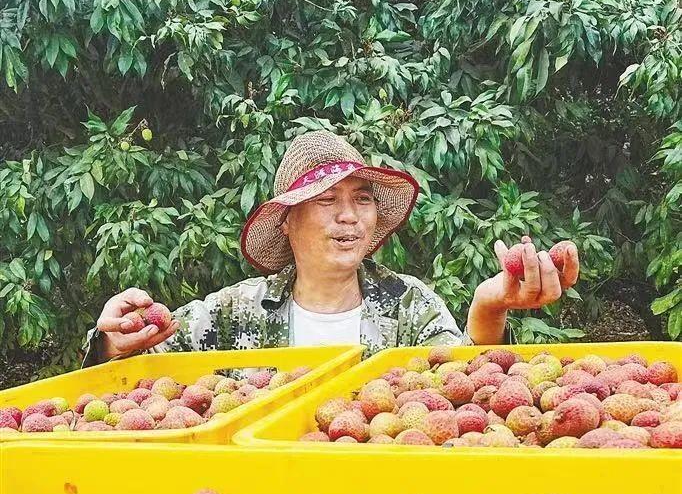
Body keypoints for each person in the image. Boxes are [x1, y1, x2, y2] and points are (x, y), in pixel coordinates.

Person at [83, 130, 579, 364]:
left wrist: (488, 308)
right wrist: (113, 340)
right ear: (288, 223)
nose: (350, 216)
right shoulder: (232, 313)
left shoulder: (410, 306)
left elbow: (465, 389)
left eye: (362, 200)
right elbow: (140, 386)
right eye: (326, 201)